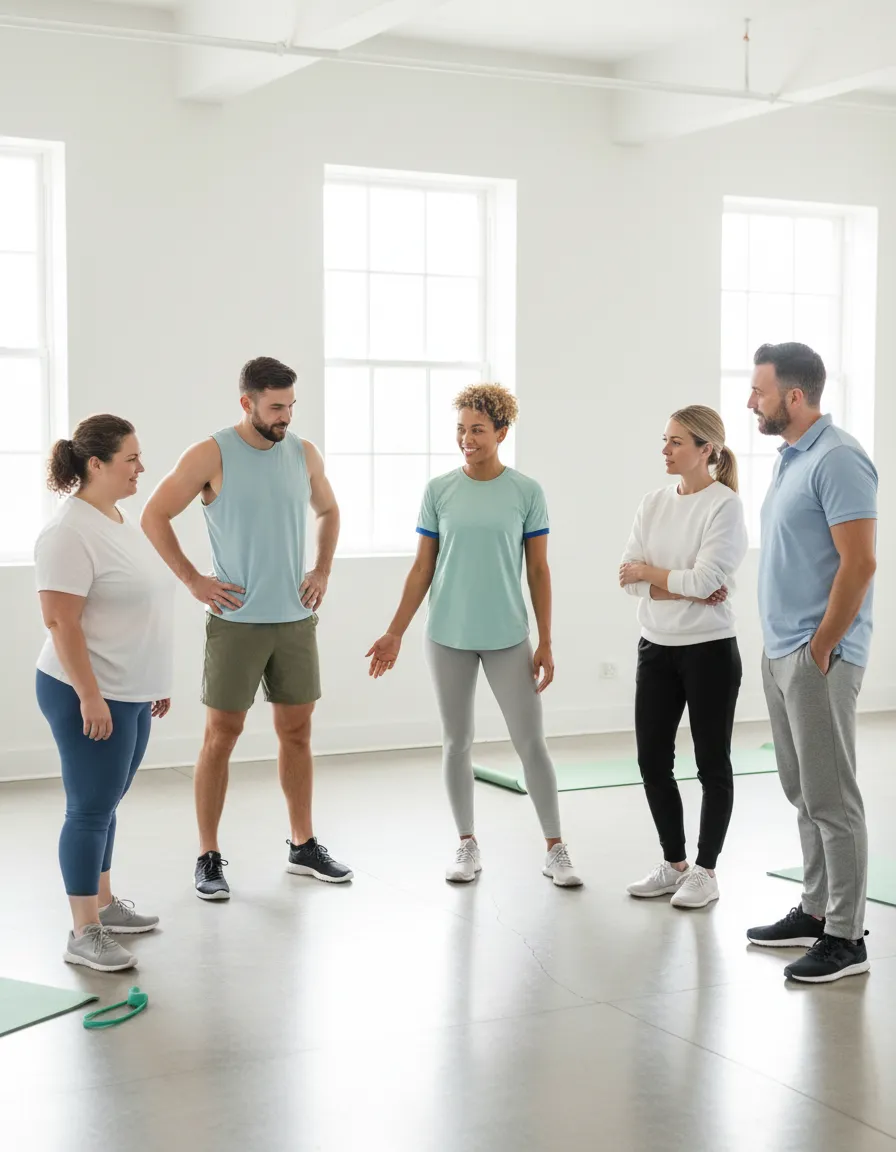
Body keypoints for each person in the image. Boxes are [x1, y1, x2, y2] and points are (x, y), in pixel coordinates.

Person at [141, 356, 352, 900]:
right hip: (235, 623)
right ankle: (208, 855)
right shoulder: (211, 452)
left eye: (291, 406)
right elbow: (154, 514)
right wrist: (193, 580)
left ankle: (303, 846)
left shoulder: (303, 453)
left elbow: (329, 510)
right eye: (276, 406)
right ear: (247, 402)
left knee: (297, 734)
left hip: (295, 621)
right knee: (221, 738)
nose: (285, 416)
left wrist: (322, 569)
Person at [366, 384, 581, 887]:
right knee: (456, 741)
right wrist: (395, 631)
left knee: (531, 743)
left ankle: (555, 847)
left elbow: (539, 571)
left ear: (502, 432)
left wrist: (546, 640)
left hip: (508, 635)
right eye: (461, 429)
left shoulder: (526, 492)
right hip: (447, 636)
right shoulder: (439, 490)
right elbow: (422, 569)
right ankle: (466, 844)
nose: (467, 438)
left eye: (478, 430)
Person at [745, 343, 877, 983]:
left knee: (832, 797)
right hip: (781, 652)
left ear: (794, 397)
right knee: (802, 789)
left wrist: (822, 644)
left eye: (759, 391)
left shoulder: (840, 459)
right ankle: (818, 909)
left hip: (817, 655)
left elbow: (861, 563)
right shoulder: (791, 459)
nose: (751, 402)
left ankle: (846, 939)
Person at [34, 415, 174, 973]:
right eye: (131, 459)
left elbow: (140, 604)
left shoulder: (116, 517)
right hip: (84, 689)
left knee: (107, 803)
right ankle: (83, 930)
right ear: (96, 464)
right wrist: (91, 698)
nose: (142, 467)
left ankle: (106, 905)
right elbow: (60, 623)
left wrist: (153, 683)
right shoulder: (68, 532)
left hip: (130, 688)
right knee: (89, 809)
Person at [620, 406, 748, 910]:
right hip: (656, 649)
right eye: (665, 440)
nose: (666, 450)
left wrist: (657, 578)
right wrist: (682, 586)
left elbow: (704, 581)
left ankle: (706, 869)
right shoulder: (652, 503)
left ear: (706, 450)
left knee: (711, 764)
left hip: (710, 651)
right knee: (652, 760)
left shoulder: (724, 506)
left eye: (676, 442)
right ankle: (674, 865)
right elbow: (629, 580)